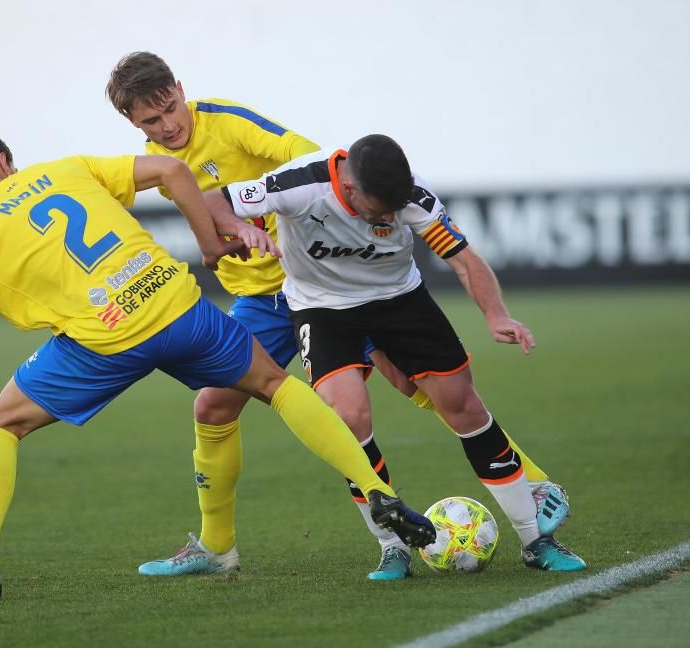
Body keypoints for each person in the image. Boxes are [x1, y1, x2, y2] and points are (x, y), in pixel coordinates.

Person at [0, 128, 435, 602]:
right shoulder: (67, 167)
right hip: (175, 303)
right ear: (6, 161)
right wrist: (208, 242)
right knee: (276, 384)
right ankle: (375, 486)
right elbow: (174, 171)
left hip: (105, 339)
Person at [106, 52, 570, 580]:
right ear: (133, 123)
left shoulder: (230, 122)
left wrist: (269, 216)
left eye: (171, 108)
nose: (168, 125)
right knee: (214, 407)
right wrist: (234, 232)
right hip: (270, 301)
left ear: (180, 89)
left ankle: (532, 485)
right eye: (151, 120)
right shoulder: (159, 166)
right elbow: (208, 226)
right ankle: (218, 548)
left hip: (335, 283)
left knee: (420, 385)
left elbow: (307, 160)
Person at [206, 134, 587, 572]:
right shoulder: (297, 184)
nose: (389, 216)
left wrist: (496, 314)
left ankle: (535, 540)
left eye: (394, 208)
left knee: (462, 406)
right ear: (348, 189)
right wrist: (239, 228)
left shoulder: (411, 195)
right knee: (348, 420)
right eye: (380, 210)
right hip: (322, 308)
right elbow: (213, 200)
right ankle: (392, 545)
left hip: (399, 300)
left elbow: (464, 259)